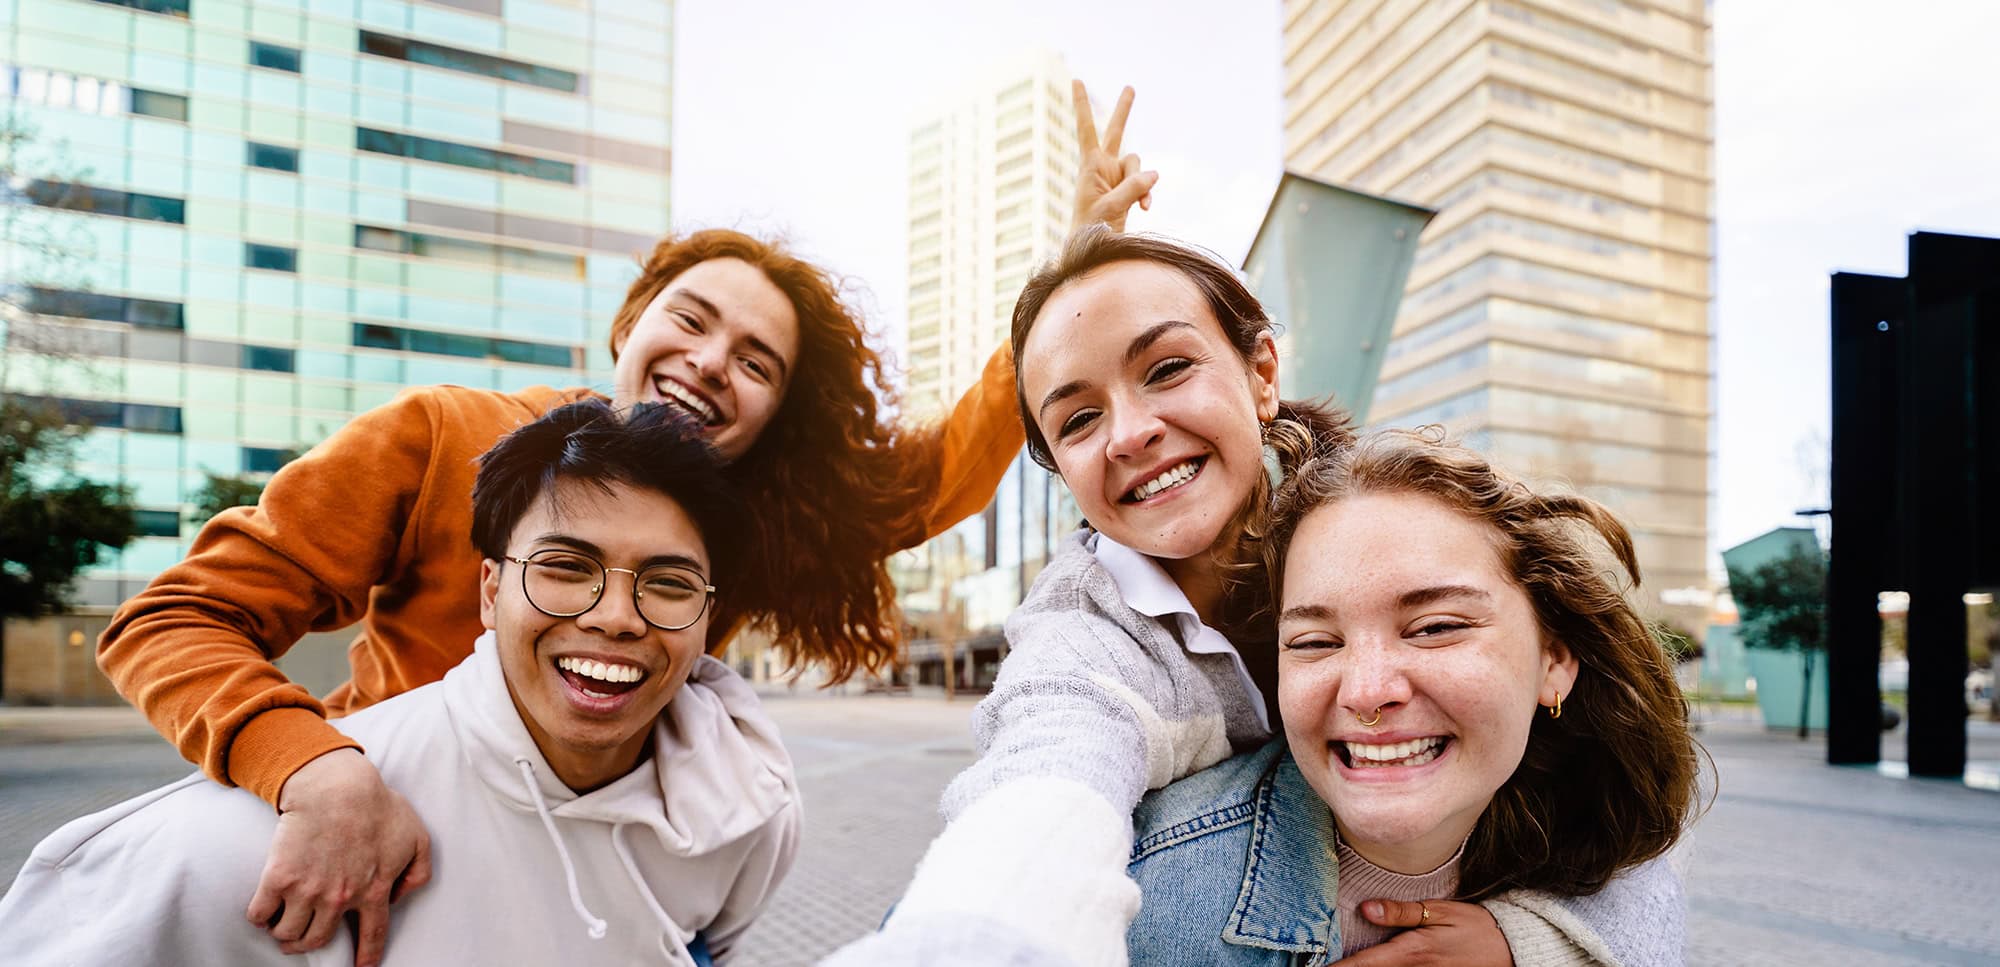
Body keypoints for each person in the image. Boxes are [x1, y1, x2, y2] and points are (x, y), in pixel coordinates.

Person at [93, 81, 1157, 967]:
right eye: (690, 320)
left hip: (627, 895)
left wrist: (1072, 267)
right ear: (627, 324)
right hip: (396, 865)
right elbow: (175, 616)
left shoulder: (739, 525)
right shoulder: (436, 434)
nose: (709, 362)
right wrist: (315, 768)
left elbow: (935, 473)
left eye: (755, 363)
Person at [832, 228, 1679, 965]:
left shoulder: (1378, 518)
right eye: (1078, 420)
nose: (1129, 432)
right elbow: (1043, 793)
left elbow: (1619, 807)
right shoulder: (1085, 637)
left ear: (1261, 371)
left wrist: (1528, 940)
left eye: (1166, 368)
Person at [0, 401, 799, 966]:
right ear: (489, 591)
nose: (618, 616)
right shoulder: (253, 849)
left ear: (707, 617)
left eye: (666, 583)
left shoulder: (745, 807)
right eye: (566, 568)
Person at [1124, 427, 1699, 965]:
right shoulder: (1147, 893)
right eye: (1316, 641)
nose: (1368, 693)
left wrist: (1530, 946)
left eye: (1436, 628)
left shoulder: (1598, 825)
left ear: (1553, 662)